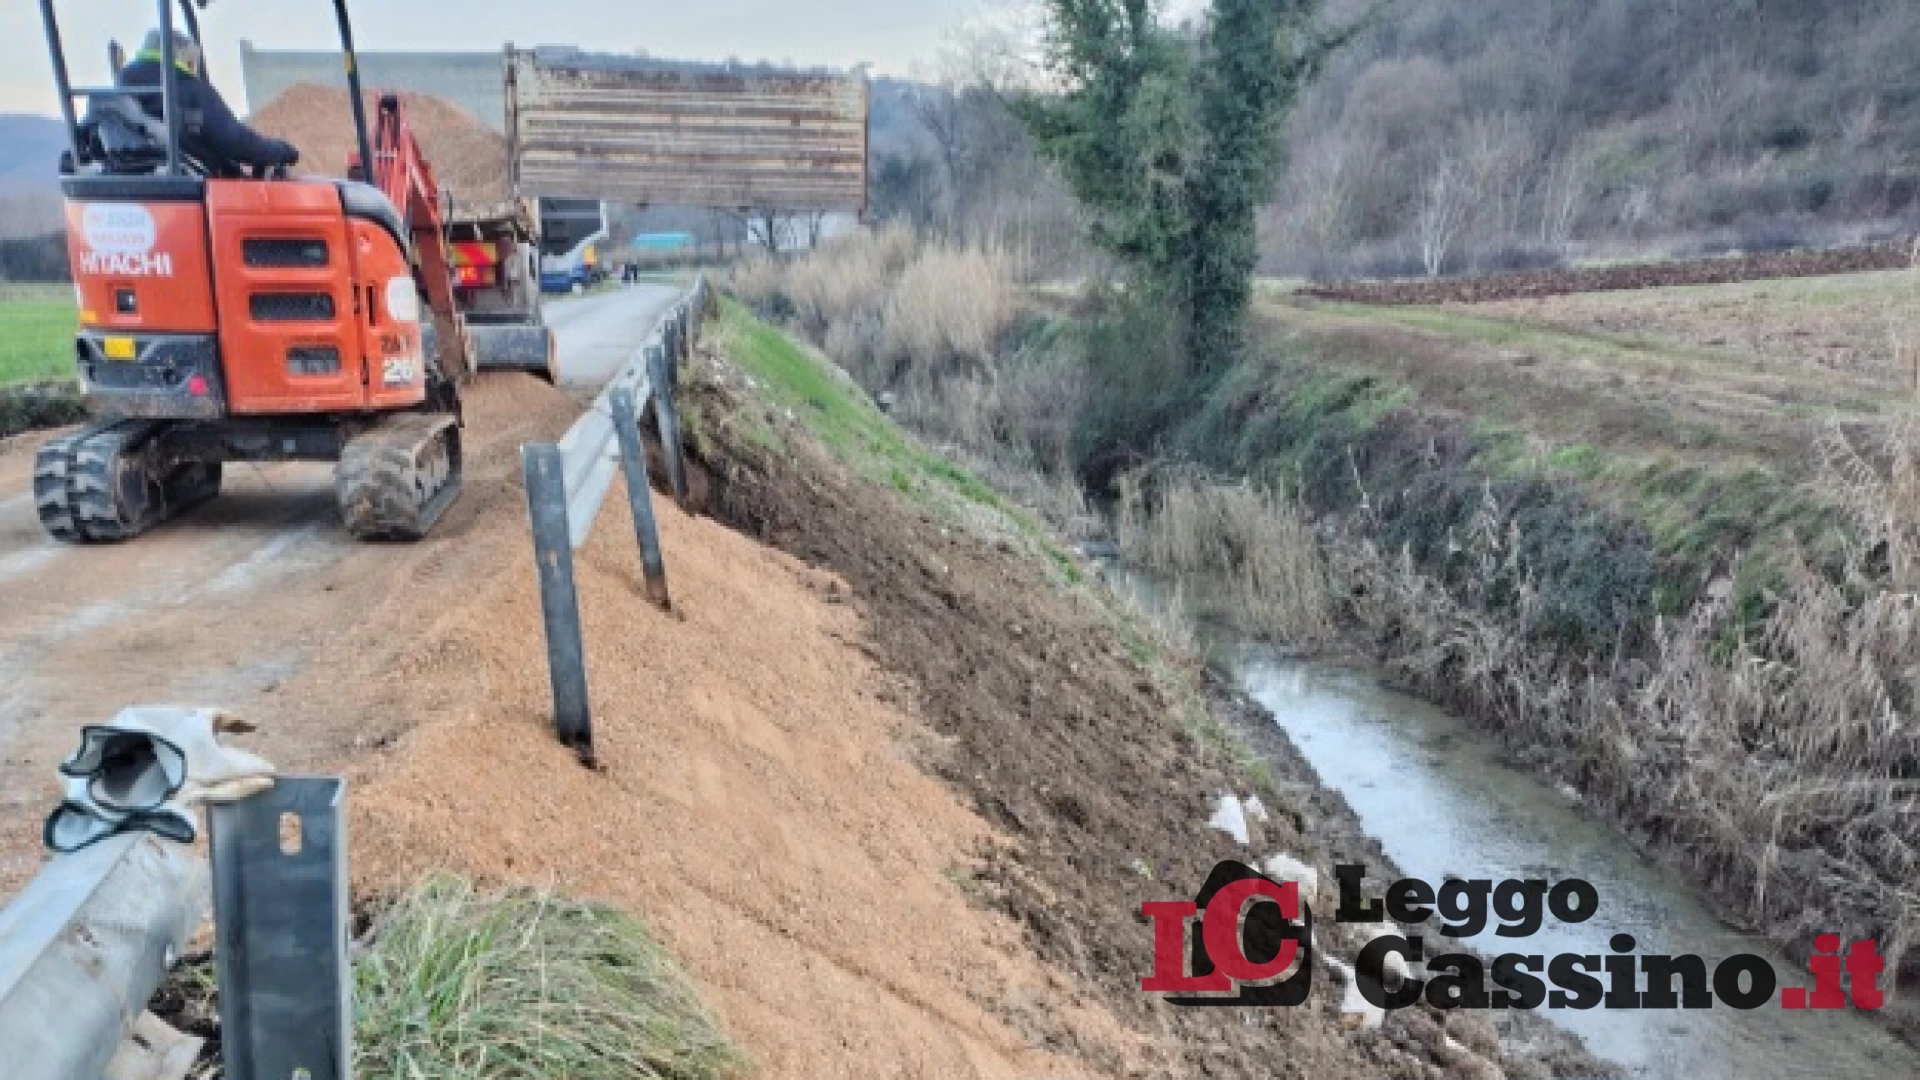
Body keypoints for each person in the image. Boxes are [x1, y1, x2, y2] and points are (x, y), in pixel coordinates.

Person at [117, 29, 298, 174]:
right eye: (193, 64)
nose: (194, 72)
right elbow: (234, 140)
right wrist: (282, 151)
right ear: (184, 60)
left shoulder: (120, 92)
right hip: (196, 184)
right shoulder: (188, 90)